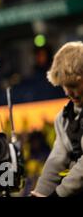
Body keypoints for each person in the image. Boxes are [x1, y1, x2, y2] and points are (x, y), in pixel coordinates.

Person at [32, 41, 83, 197]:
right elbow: (57, 159)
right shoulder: (63, 118)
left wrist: (58, 194)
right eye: (64, 85)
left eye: (74, 85)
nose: (68, 92)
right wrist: (39, 193)